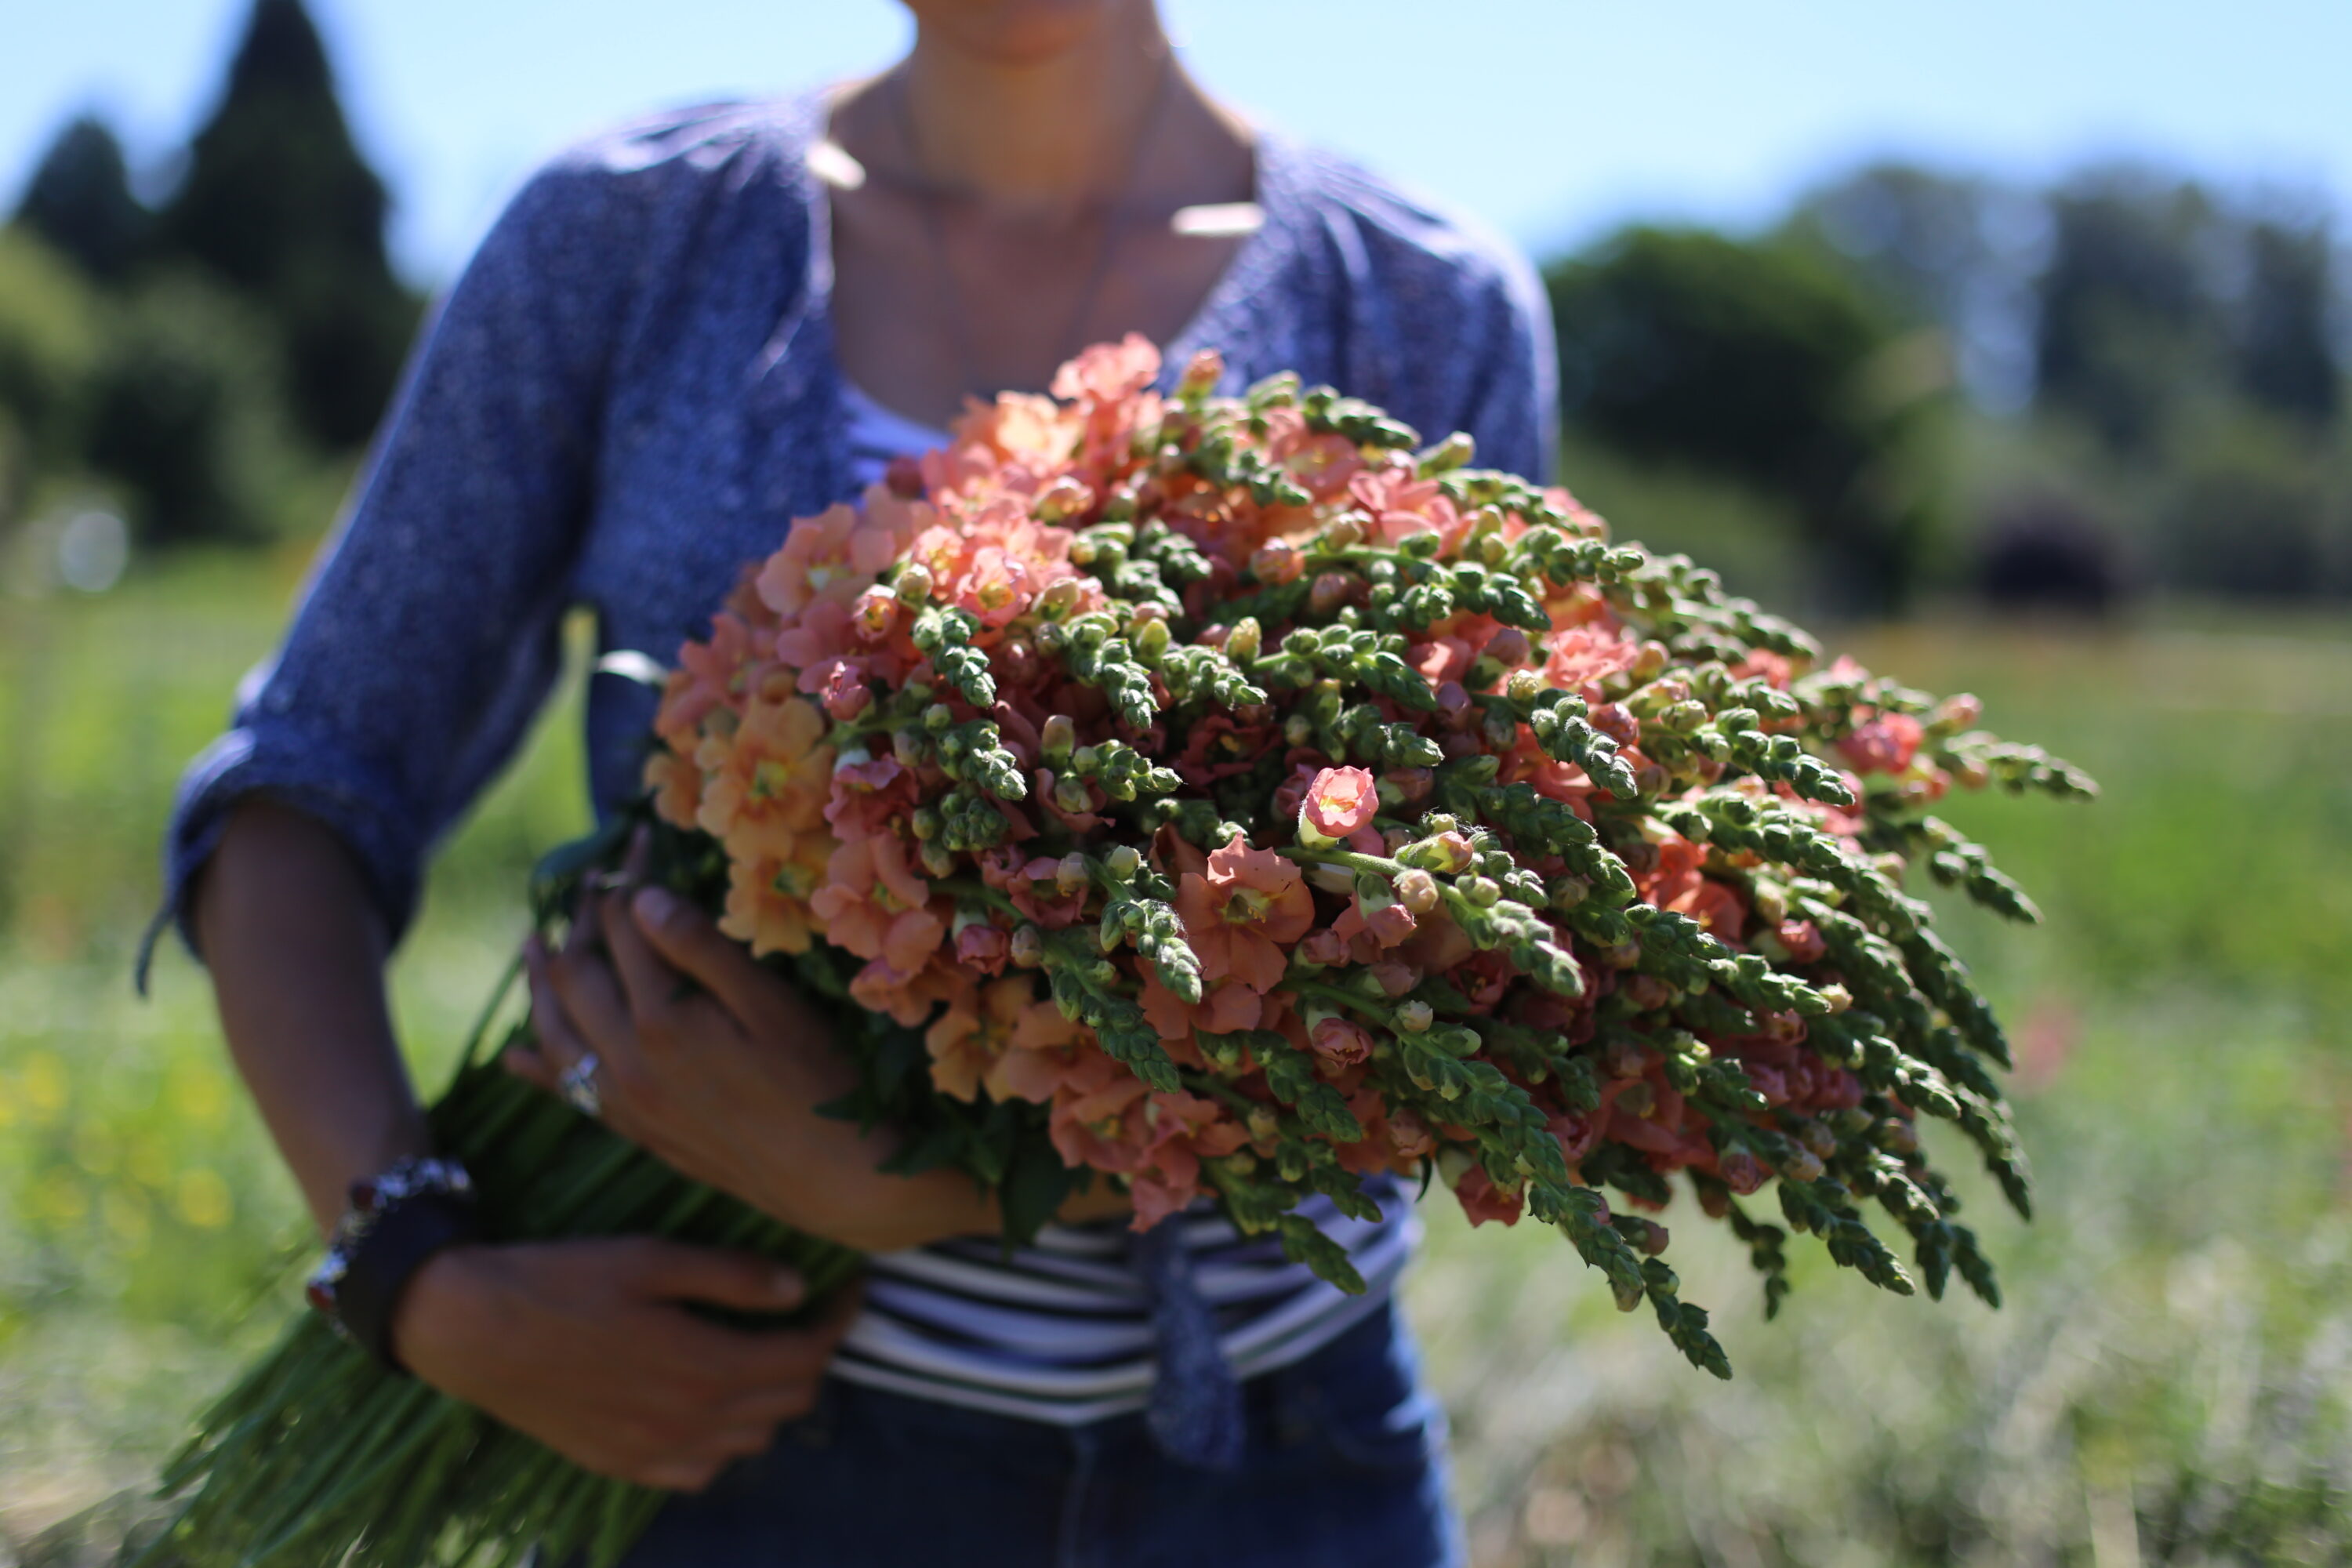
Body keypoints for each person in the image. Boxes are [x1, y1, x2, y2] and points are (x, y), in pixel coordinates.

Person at [159, 1, 1554, 1561]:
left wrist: (939, 1184)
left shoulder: (1423, 303)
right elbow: (305, 784)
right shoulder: (633, 236)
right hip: (737, 1451)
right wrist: (415, 1269)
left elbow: (1454, 965)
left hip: (1288, 1464)